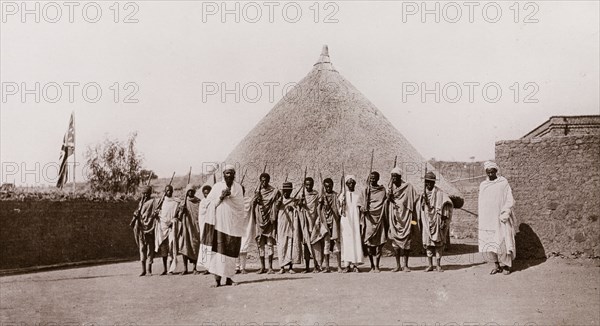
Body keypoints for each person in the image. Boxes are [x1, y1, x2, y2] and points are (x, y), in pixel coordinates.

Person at [198, 165, 246, 287]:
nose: (229, 175)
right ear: (223, 174)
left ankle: (229, 278)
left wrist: (231, 197)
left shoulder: (238, 188)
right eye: (227, 173)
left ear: (234, 174)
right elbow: (207, 204)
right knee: (218, 252)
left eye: (231, 173)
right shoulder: (217, 187)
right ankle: (217, 280)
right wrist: (221, 196)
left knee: (231, 252)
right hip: (219, 224)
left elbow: (240, 206)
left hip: (233, 225)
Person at [478, 161, 516, 275]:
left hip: (501, 218)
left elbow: (510, 199)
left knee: (503, 241)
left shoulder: (503, 183)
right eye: (488, 172)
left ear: (496, 171)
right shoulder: (483, 185)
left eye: (492, 172)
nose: (490, 174)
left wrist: (506, 212)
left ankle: (506, 266)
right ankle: (496, 265)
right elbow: (481, 203)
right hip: (487, 219)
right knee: (490, 242)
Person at [386, 167, 419, 272]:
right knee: (395, 243)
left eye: (396, 176)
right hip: (394, 218)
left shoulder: (408, 187)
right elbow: (387, 202)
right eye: (392, 177)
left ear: (400, 177)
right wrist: (389, 197)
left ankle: (406, 265)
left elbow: (416, 199)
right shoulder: (390, 189)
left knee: (407, 243)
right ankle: (397, 265)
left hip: (406, 218)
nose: (394, 178)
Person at [418, 171, 453, 272]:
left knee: (438, 243)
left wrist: (444, 220)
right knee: (428, 243)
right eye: (427, 182)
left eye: (430, 182)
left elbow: (446, 205)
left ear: (434, 183)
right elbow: (421, 208)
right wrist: (423, 200)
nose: (428, 184)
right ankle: (430, 265)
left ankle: (438, 265)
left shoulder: (440, 193)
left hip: (437, 220)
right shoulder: (423, 194)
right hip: (426, 221)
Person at [252, 173, 279, 274]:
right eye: (262, 180)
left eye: (265, 180)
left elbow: (277, 201)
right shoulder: (257, 191)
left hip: (270, 219)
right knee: (260, 244)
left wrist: (274, 209)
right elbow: (253, 204)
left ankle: (270, 267)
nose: (263, 182)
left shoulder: (273, 191)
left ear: (268, 180)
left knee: (270, 244)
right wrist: (255, 200)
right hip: (260, 219)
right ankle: (262, 267)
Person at [296, 177, 325, 273]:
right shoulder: (301, 195)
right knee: (306, 244)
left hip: (314, 222)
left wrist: (321, 201)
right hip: (305, 223)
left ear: (313, 185)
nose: (308, 186)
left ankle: (317, 266)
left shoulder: (316, 194)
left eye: (310, 184)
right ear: (304, 185)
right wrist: (301, 203)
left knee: (316, 245)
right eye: (307, 185)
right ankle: (307, 267)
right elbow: (298, 207)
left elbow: (319, 206)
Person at [361, 171, 387, 273]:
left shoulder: (382, 190)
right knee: (369, 243)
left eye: (374, 178)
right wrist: (364, 208)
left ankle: (377, 266)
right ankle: (371, 265)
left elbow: (385, 202)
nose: (372, 180)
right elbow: (360, 204)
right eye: (371, 178)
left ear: (378, 179)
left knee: (379, 244)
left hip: (379, 219)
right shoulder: (365, 190)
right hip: (369, 219)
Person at [130, 185, 157, 276]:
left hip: (150, 228)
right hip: (141, 229)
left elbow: (155, 212)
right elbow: (139, 213)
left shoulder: (152, 202)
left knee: (150, 249)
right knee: (142, 249)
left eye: (147, 193)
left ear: (149, 194)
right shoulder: (141, 203)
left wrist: (153, 216)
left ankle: (149, 270)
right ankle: (143, 270)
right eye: (143, 193)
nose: (145, 195)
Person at [154, 185, 180, 275]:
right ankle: (165, 269)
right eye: (167, 190)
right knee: (163, 248)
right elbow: (157, 213)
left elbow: (177, 215)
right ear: (165, 191)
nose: (168, 192)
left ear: (172, 191)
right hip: (162, 227)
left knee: (171, 247)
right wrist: (156, 213)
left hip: (171, 227)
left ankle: (171, 269)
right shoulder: (161, 202)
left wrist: (172, 222)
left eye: (170, 190)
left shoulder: (176, 202)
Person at [339, 175, 363, 273]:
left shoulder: (358, 196)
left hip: (355, 223)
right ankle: (347, 265)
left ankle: (355, 265)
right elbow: (339, 210)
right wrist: (342, 205)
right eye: (349, 183)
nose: (351, 184)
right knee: (346, 242)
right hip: (345, 223)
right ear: (346, 184)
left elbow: (361, 209)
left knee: (355, 241)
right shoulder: (342, 195)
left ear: (355, 184)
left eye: (353, 182)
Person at [276, 182, 301, 273]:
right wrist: (281, 198)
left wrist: (293, 208)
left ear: (291, 191)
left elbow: (298, 210)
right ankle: (282, 267)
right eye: (284, 191)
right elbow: (276, 207)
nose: (286, 193)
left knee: (291, 244)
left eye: (288, 191)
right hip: (282, 225)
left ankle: (290, 267)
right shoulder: (279, 200)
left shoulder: (293, 200)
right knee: (282, 245)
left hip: (291, 225)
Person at [177, 184, 201, 275]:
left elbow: (200, 214)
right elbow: (178, 217)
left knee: (195, 246)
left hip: (195, 228)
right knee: (184, 247)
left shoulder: (198, 201)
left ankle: (195, 268)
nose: (190, 192)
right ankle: (185, 268)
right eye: (188, 191)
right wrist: (182, 210)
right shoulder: (183, 202)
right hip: (185, 228)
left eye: (192, 191)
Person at [319, 178, 342, 273]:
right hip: (325, 222)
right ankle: (327, 267)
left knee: (337, 244)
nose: (328, 188)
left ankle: (339, 266)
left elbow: (338, 209)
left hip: (334, 221)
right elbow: (319, 210)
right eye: (326, 186)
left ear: (332, 185)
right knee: (326, 244)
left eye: (330, 186)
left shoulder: (335, 196)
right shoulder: (322, 197)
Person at [195, 184, 212, 275]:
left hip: (212, 227)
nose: (207, 195)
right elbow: (201, 215)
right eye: (205, 193)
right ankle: (206, 267)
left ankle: (212, 267)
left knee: (212, 247)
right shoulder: (202, 202)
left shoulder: (214, 201)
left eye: (208, 193)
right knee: (205, 247)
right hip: (204, 227)